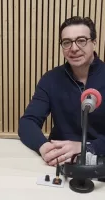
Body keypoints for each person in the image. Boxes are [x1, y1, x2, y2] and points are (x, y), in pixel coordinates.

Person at [18, 16, 105, 166]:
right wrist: (44, 147)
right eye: (67, 42)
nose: (74, 48)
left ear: (94, 43)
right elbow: (28, 122)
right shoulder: (51, 79)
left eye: (81, 40)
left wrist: (86, 147)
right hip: (59, 160)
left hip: (98, 160)